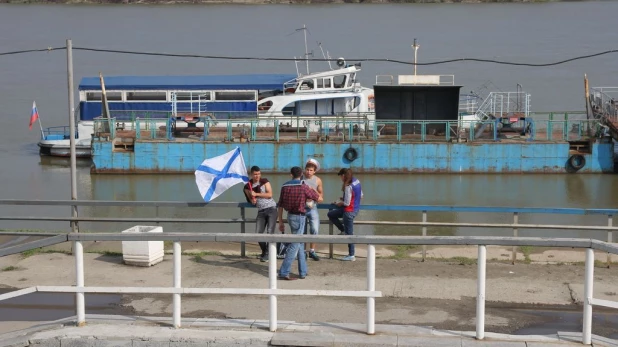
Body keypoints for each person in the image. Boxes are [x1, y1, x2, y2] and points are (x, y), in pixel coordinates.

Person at [277, 166, 320, 280]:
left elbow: (280, 204)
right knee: (295, 244)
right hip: (300, 217)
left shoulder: (284, 186)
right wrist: (311, 188)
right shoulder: (303, 186)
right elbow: (317, 197)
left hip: (290, 216)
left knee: (300, 243)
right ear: (301, 174)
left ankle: (303, 272)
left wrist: (280, 221)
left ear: (291, 174)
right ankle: (284, 271)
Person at [243, 166, 277, 262]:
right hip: (261, 211)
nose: (257, 176)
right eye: (255, 174)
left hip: (271, 209)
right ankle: (265, 252)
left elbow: (270, 194)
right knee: (258, 234)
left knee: (270, 232)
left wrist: (257, 194)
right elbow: (250, 199)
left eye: (258, 174)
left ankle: (268, 254)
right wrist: (252, 200)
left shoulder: (265, 181)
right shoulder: (247, 186)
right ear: (251, 174)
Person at [327, 168, 362, 261]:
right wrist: (344, 198)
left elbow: (346, 203)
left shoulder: (348, 186)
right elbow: (361, 195)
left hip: (348, 211)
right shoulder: (356, 181)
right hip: (355, 209)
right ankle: (343, 230)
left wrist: (340, 203)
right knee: (331, 214)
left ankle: (351, 255)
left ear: (343, 176)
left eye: (341, 177)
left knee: (350, 234)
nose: (341, 179)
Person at [301, 158, 323, 261]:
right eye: (307, 169)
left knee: (315, 229)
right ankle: (303, 252)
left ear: (314, 171)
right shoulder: (300, 179)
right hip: (301, 208)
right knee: (302, 231)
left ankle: (312, 251)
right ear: (305, 169)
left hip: (312, 208)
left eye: (311, 170)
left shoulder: (318, 180)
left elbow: (321, 196)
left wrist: (314, 192)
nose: (309, 172)